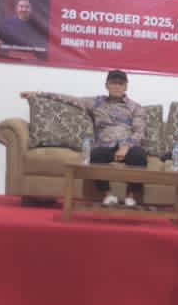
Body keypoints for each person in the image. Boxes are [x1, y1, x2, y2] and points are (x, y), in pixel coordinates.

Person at [22, 70, 149, 206]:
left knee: (140, 156)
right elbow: (71, 99)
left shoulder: (135, 107)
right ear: (107, 85)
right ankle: (108, 195)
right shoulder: (96, 102)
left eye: (120, 83)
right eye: (113, 83)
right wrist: (39, 94)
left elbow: (139, 131)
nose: (117, 86)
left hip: (128, 145)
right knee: (94, 156)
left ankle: (131, 197)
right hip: (105, 145)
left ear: (126, 86)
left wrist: (126, 147)